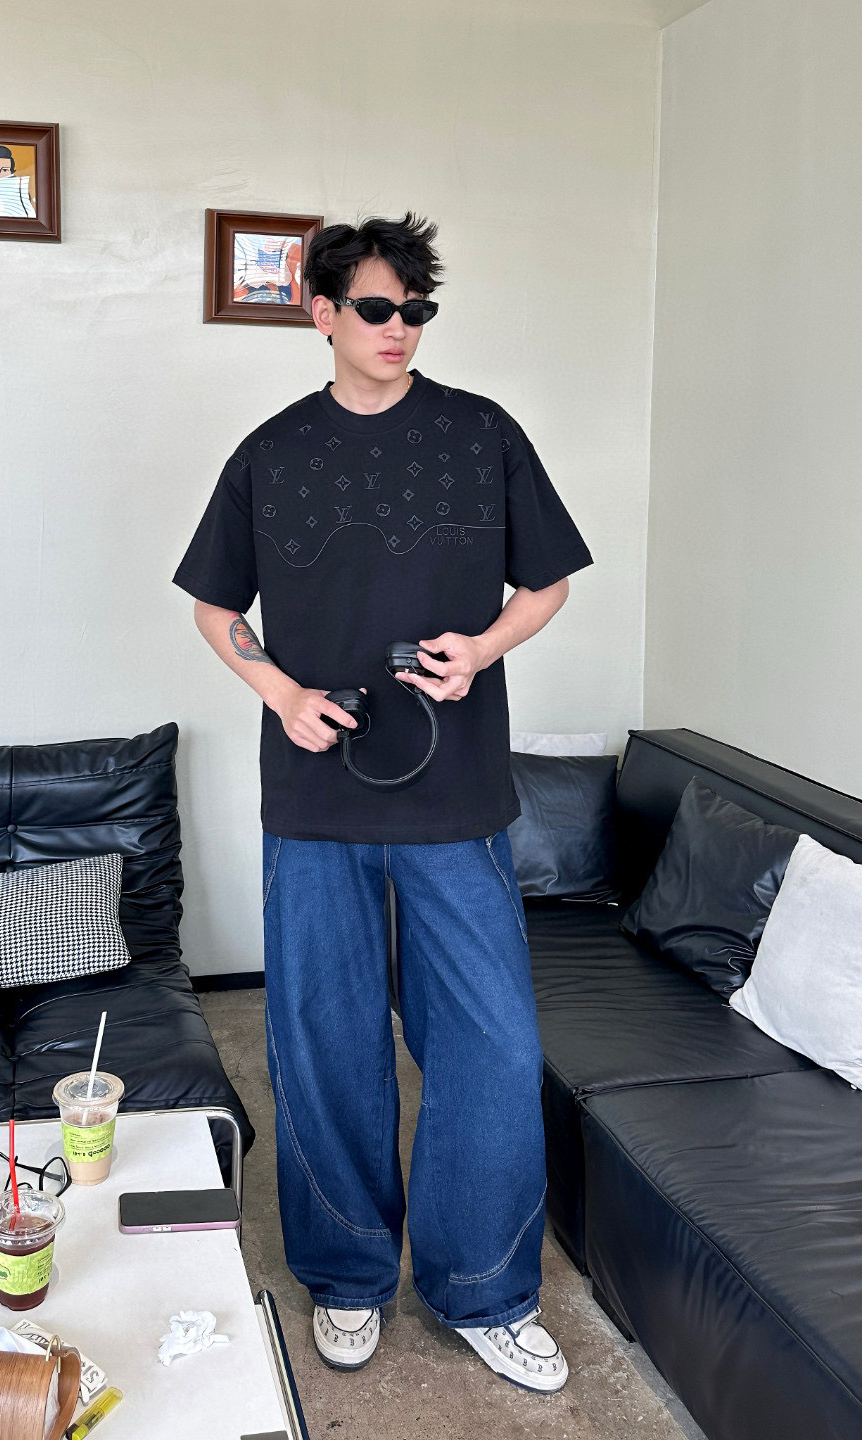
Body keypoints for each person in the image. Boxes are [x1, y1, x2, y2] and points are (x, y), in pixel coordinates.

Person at [173, 213, 593, 1392]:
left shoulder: (481, 433)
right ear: (322, 313)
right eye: (375, 309)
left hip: (457, 794)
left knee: (492, 1047)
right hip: (315, 793)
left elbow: (548, 582)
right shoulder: (270, 453)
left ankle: (485, 1290)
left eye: (416, 310)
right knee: (324, 1040)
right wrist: (280, 692)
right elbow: (214, 604)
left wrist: (483, 650)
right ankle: (349, 1275)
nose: (399, 328)